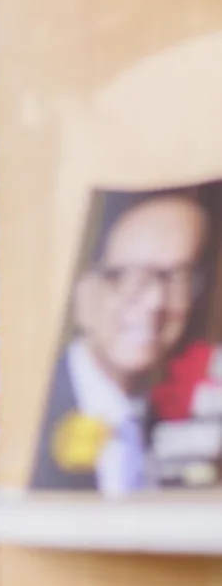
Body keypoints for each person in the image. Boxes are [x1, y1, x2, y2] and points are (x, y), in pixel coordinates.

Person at [32, 191, 209, 493]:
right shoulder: (34, 415)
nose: (156, 301)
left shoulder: (181, 413)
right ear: (83, 290)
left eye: (177, 278)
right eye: (129, 275)